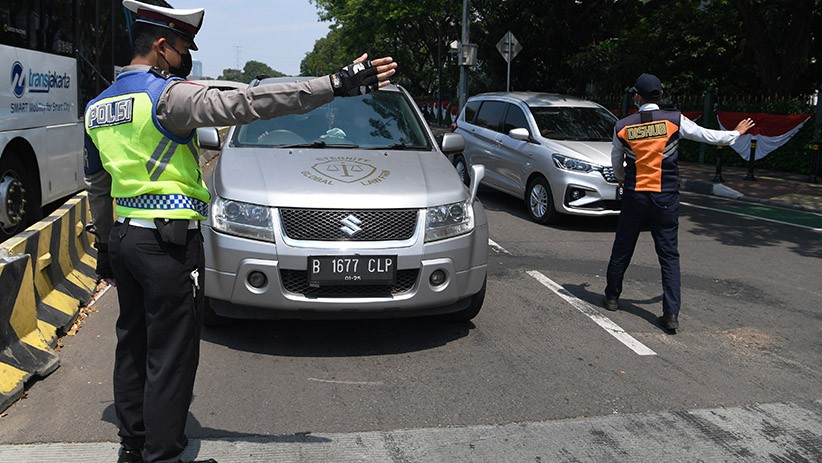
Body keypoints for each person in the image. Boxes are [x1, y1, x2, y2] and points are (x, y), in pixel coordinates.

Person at [83, 2, 397, 462]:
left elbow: (97, 186)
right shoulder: (169, 98)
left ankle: (133, 447)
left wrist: (105, 251)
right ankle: (163, 456)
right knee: (171, 354)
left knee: (132, 343)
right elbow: (250, 102)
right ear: (161, 46)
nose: (186, 56)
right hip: (168, 245)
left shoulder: (99, 106)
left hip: (126, 239)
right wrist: (335, 84)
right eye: (183, 47)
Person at [602, 73, 754, 332]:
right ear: (660, 96)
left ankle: (613, 297)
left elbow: (617, 162)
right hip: (665, 197)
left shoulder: (623, 125)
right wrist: (735, 134)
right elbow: (707, 136)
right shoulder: (674, 120)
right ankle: (671, 314)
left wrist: (622, 180)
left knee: (622, 248)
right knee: (669, 256)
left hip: (635, 196)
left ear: (637, 97)